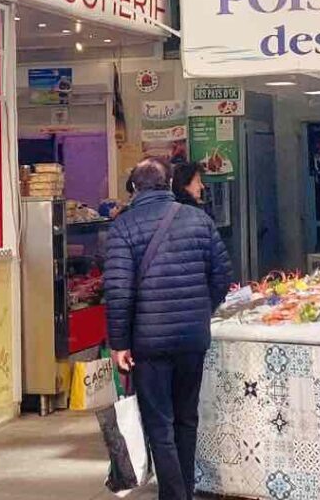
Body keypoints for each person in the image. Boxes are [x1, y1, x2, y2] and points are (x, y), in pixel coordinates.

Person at [105, 158, 232, 500]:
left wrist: (118, 344)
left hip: (149, 343)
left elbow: (118, 292)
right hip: (192, 339)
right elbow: (222, 276)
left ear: (133, 188)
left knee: (159, 424)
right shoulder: (199, 220)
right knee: (186, 419)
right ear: (169, 183)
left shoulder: (123, 227)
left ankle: (176, 496)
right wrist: (199, 311)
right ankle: (184, 491)